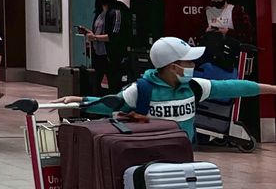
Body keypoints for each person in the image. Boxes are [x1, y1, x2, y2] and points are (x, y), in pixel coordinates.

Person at [63, 37, 276, 144]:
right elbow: (110, 104)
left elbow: (234, 87)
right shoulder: (142, 89)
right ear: (174, 67)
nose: (193, 66)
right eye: (189, 61)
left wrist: (272, 89)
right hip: (148, 158)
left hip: (183, 155)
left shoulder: (194, 87)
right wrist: (78, 100)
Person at [77, 0, 130, 94]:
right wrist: (89, 33)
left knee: (113, 85)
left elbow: (114, 35)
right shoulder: (99, 14)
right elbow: (99, 31)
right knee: (96, 85)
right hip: (98, 54)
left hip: (110, 56)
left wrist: (95, 37)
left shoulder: (116, 12)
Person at [202, 0, 253, 75]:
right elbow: (199, 34)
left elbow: (248, 34)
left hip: (233, 55)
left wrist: (228, 32)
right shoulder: (207, 11)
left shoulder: (236, 11)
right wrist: (206, 32)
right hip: (212, 55)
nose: (217, 1)